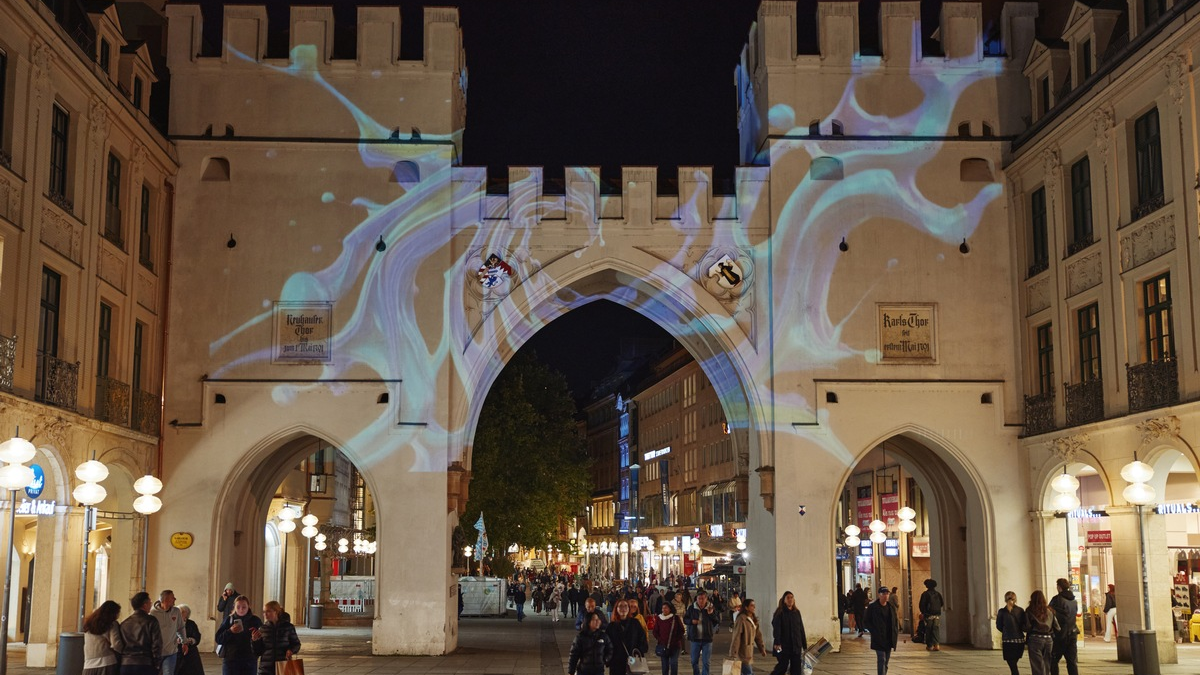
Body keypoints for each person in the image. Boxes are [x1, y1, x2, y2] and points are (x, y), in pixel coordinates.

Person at [114, 592, 164, 675]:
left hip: (126, 665)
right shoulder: (151, 621)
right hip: (145, 664)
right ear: (144, 605)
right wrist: (157, 664)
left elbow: (119, 645)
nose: (151, 605)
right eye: (150, 602)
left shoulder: (124, 623)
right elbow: (157, 644)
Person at [215, 596, 263, 675]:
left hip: (249, 661)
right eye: (238, 607)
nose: (241, 609)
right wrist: (230, 631)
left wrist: (255, 639)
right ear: (234, 607)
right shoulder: (229, 620)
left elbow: (262, 641)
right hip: (231, 661)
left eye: (244, 607)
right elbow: (218, 638)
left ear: (248, 606)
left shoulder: (255, 621)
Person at [254, 601, 300, 675]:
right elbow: (257, 651)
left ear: (276, 612)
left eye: (268, 611)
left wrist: (291, 650)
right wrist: (254, 640)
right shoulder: (262, 629)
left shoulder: (288, 627)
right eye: (264, 612)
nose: (265, 614)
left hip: (283, 665)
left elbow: (296, 644)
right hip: (266, 668)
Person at [860, 586, 898, 675]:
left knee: (886, 661)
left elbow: (895, 621)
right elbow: (866, 621)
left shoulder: (891, 607)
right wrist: (873, 631)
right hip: (878, 637)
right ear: (879, 595)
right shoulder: (873, 607)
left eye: (887, 594)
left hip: (889, 637)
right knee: (881, 658)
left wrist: (895, 631)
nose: (886, 596)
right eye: (883, 594)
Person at [769, 591, 807, 675]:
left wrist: (804, 645)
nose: (790, 599)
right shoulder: (780, 613)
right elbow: (777, 629)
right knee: (782, 666)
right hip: (783, 646)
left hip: (796, 645)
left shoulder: (796, 612)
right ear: (784, 600)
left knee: (796, 668)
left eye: (791, 597)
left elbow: (801, 629)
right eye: (788, 598)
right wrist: (777, 643)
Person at [608, 599, 650, 675]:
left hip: (633, 661)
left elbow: (642, 639)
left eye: (625, 606)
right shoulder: (611, 626)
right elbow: (607, 644)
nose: (623, 608)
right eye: (620, 606)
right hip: (617, 663)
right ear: (616, 609)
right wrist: (609, 658)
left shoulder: (635, 623)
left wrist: (639, 651)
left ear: (628, 609)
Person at [1023, 590, 1060, 675]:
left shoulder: (1030, 610)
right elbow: (1057, 627)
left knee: (1037, 665)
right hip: (1048, 640)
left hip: (1035, 639)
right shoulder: (1050, 611)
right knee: (1047, 664)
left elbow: (1027, 627)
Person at [727, 598, 767, 675]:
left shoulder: (753, 619)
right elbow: (736, 636)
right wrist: (733, 653)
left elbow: (758, 635)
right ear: (746, 607)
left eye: (754, 606)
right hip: (742, 652)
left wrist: (761, 648)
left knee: (747, 672)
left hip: (749, 652)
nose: (754, 607)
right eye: (752, 606)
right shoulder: (741, 619)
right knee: (748, 672)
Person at [1048, 578, 1079, 675]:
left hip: (1060, 635)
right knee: (1071, 662)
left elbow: (1049, 614)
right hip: (1072, 633)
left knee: (1053, 660)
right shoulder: (1074, 601)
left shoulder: (1057, 599)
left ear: (1059, 587)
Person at [83, 600, 123, 675]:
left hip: (89, 664)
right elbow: (116, 644)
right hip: (107, 662)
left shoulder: (88, 624)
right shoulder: (112, 624)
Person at [151, 590, 186, 675]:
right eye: (172, 597)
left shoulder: (176, 611)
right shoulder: (152, 613)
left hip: (171, 652)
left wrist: (184, 642)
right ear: (165, 600)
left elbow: (180, 627)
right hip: (156, 653)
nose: (175, 599)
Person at [684, 591, 718, 675]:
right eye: (699, 598)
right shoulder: (692, 608)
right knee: (694, 661)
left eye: (703, 598)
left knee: (706, 662)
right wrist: (692, 621)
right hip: (695, 638)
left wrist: (711, 614)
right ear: (697, 599)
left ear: (706, 599)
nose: (701, 601)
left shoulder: (710, 608)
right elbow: (685, 619)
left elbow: (717, 621)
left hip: (707, 639)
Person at [996, 591, 1025, 675]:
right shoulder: (1020, 610)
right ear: (1015, 599)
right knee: (1014, 663)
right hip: (1019, 641)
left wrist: (1006, 631)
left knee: (1012, 664)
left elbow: (999, 626)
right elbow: (1024, 624)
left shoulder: (1002, 611)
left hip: (1008, 641)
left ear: (1005, 599)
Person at [652, 601, 685, 675]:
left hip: (675, 646)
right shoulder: (659, 618)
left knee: (673, 663)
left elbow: (681, 630)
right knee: (665, 665)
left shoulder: (675, 618)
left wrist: (676, 639)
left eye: (666, 608)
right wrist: (660, 639)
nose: (664, 609)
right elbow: (655, 632)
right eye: (663, 608)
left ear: (670, 609)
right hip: (663, 645)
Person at [176, 605, 204, 675]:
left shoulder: (191, 624)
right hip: (177, 652)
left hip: (191, 653)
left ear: (186, 614)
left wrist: (190, 640)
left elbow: (197, 636)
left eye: (182, 612)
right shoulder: (174, 623)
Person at [918, 579, 943, 651]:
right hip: (937, 614)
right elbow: (941, 603)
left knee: (928, 630)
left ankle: (930, 645)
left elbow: (922, 605)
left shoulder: (925, 594)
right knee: (936, 629)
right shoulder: (938, 594)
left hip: (928, 615)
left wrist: (923, 612)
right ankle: (937, 644)